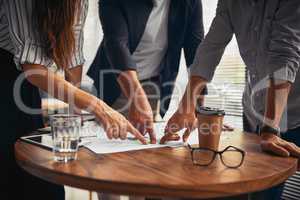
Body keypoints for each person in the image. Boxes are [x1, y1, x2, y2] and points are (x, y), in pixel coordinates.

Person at [0, 0, 146, 200]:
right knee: (12, 174)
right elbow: (33, 67)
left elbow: (73, 57)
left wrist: (74, 111)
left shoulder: (78, 2)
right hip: (10, 73)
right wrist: (98, 106)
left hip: (27, 82)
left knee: (45, 183)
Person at [162, 0, 300, 199]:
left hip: (293, 113)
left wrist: (270, 128)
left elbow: (284, 56)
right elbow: (211, 47)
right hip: (254, 111)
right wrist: (186, 107)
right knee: (254, 192)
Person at [87, 0, 208, 145]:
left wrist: (200, 110)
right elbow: (116, 44)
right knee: (108, 143)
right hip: (115, 80)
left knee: (142, 144)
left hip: (153, 82)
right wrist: (136, 96)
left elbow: (197, 53)